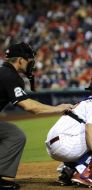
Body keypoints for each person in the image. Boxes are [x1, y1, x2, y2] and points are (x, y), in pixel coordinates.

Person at [0, 42, 74, 190]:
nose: (31, 64)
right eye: (29, 60)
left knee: (9, 133)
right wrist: (57, 108)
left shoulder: (4, 72)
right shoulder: (10, 76)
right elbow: (30, 106)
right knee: (14, 135)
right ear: (21, 60)